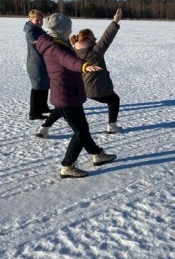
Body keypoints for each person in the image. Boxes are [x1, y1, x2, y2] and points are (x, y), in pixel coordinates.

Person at [35, 13, 117, 178]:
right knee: (80, 132)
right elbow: (67, 60)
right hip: (66, 94)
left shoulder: (55, 42)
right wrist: (85, 65)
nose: (71, 30)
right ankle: (67, 165)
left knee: (82, 130)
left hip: (68, 92)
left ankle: (97, 154)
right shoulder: (55, 47)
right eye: (69, 27)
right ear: (63, 29)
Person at [37, 9, 124, 137]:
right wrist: (115, 21)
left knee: (61, 108)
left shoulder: (71, 49)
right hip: (96, 89)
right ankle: (112, 126)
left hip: (79, 88)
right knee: (114, 100)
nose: (95, 39)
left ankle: (44, 128)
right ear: (88, 38)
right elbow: (106, 38)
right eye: (93, 37)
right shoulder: (95, 51)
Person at [23, 9, 52, 120]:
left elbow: (47, 37)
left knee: (44, 84)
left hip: (42, 61)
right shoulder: (30, 30)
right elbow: (33, 41)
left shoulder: (38, 29)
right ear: (31, 19)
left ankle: (43, 107)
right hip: (35, 62)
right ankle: (34, 113)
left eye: (41, 20)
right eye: (37, 20)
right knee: (37, 87)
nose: (40, 22)